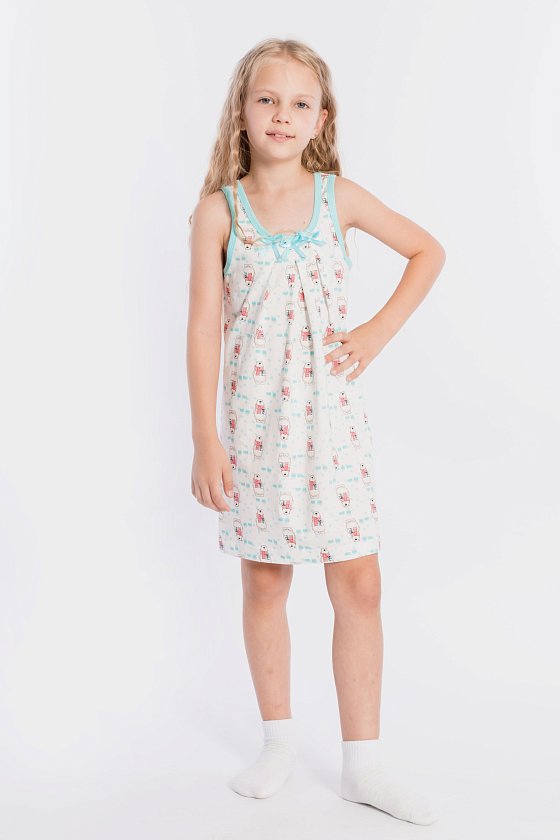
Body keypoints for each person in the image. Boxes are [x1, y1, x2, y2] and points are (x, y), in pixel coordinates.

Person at [187, 37, 445, 825]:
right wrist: (205, 439)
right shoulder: (219, 212)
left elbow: (427, 251)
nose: (282, 114)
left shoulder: (341, 198)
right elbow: (202, 329)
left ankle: (363, 762)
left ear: (321, 119)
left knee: (358, 582)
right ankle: (277, 743)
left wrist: (374, 333)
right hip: (256, 428)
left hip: (334, 430)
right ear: (242, 111)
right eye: (267, 99)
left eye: (300, 103)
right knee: (266, 580)